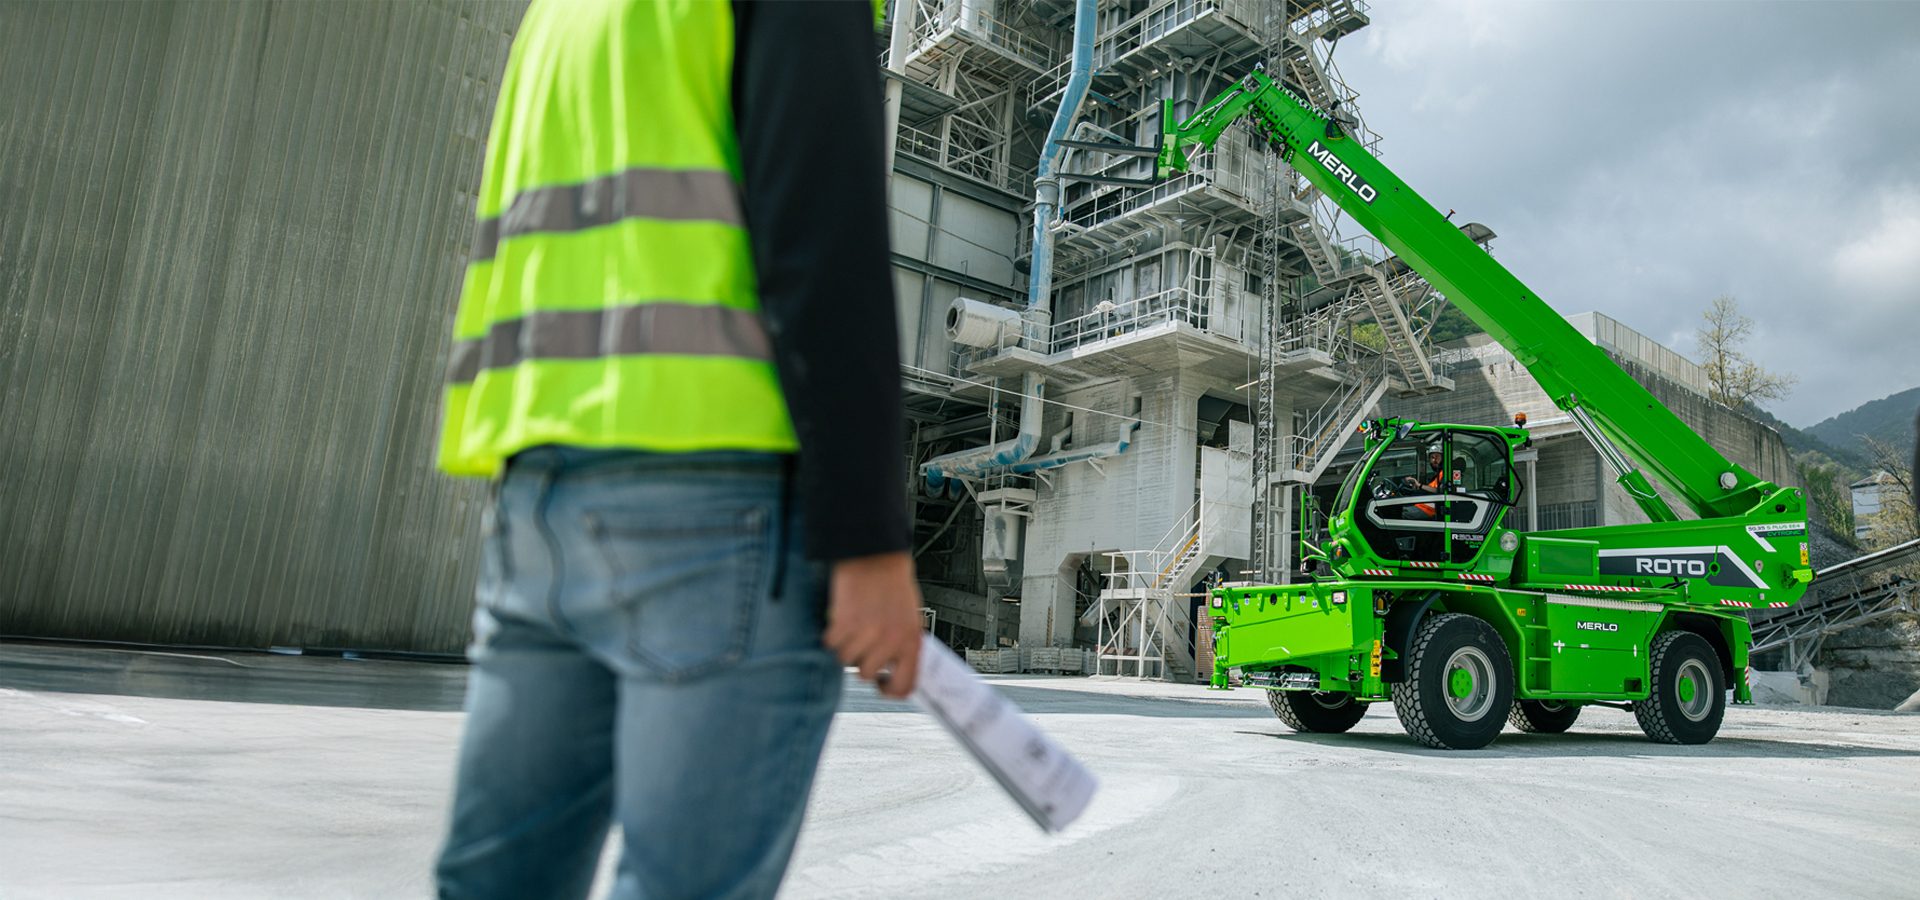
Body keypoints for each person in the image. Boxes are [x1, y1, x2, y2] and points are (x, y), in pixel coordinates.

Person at [431, 2, 923, 897]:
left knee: (496, 881)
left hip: (537, 504)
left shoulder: (559, 17)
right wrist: (869, 536)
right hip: (714, 509)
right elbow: (823, 235)